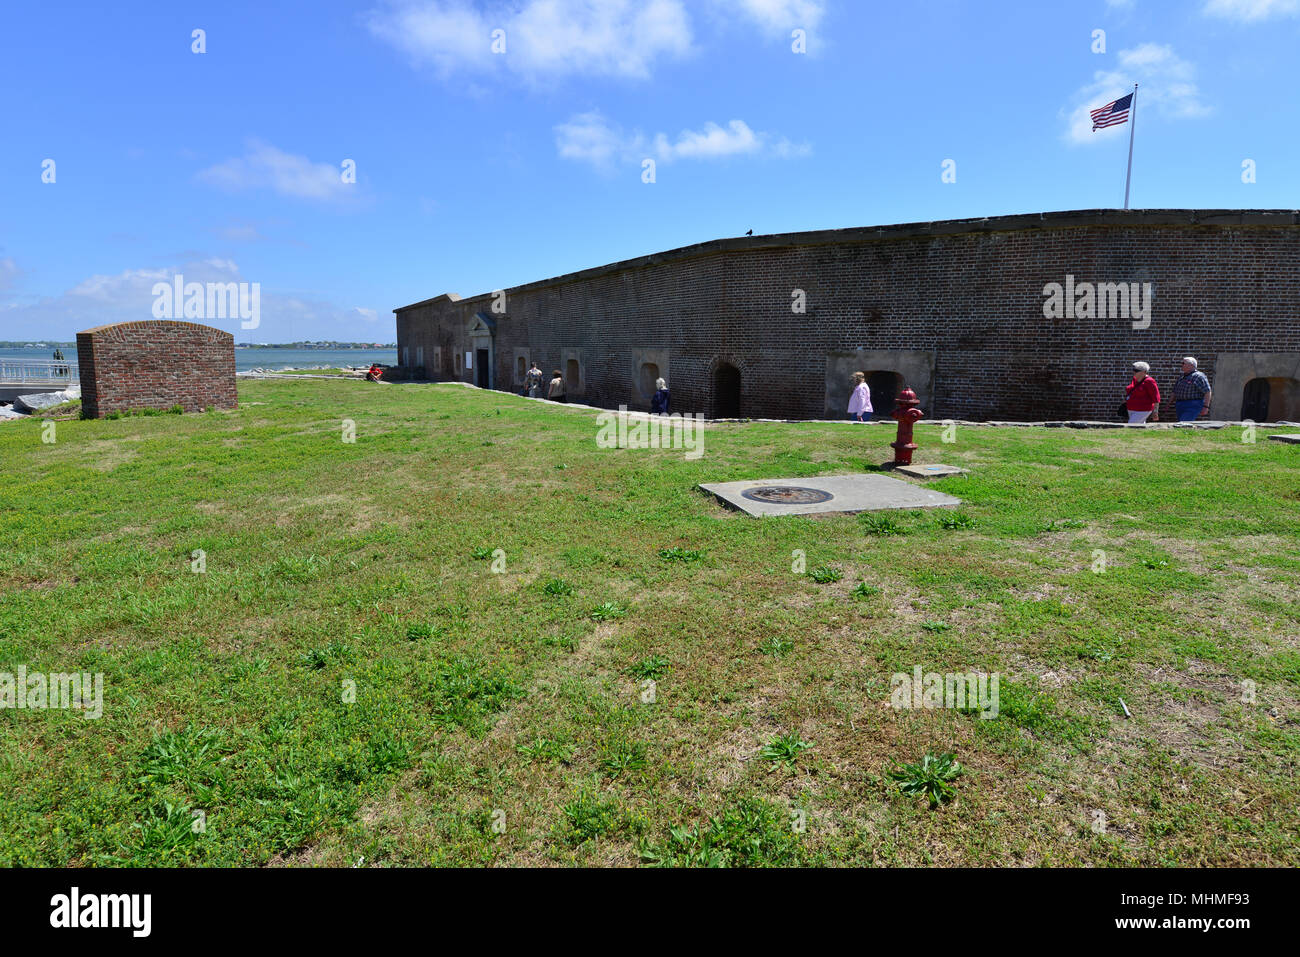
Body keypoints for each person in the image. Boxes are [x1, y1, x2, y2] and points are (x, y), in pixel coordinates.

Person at [1171, 356, 1212, 421]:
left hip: (1192, 404)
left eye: (1183, 363)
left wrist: (1206, 407)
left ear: (1191, 365)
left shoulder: (1199, 376)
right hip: (1180, 404)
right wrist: (1169, 403)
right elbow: (1175, 391)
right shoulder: (1182, 377)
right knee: (1181, 423)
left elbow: (1207, 391)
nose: (1181, 365)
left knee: (1184, 423)